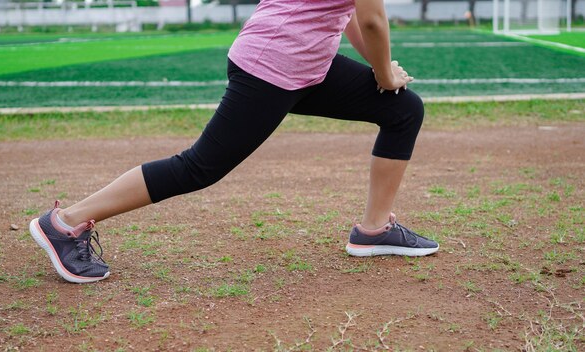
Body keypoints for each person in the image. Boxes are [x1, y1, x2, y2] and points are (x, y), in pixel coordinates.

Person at [29, 0, 439, 284]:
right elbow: (371, 20)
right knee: (199, 166)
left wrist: (380, 69)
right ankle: (65, 224)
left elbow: (349, 15)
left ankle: (373, 231)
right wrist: (384, 74)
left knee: (402, 109)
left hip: (307, 63)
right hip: (273, 63)